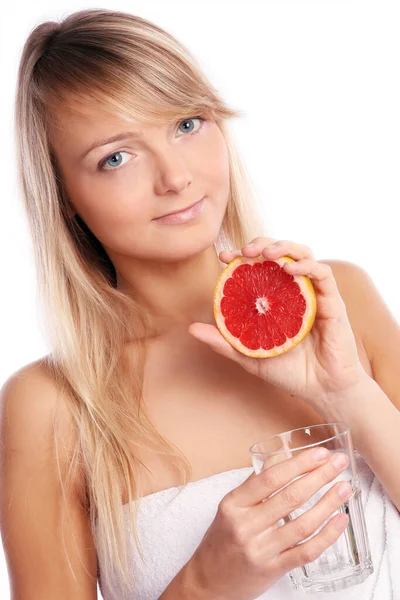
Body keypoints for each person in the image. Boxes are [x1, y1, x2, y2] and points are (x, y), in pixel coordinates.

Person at [1, 8, 399, 600]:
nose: (176, 177)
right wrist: (206, 583)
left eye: (187, 123)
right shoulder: (53, 406)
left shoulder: (335, 302)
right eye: (117, 156)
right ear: (64, 198)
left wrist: (346, 394)